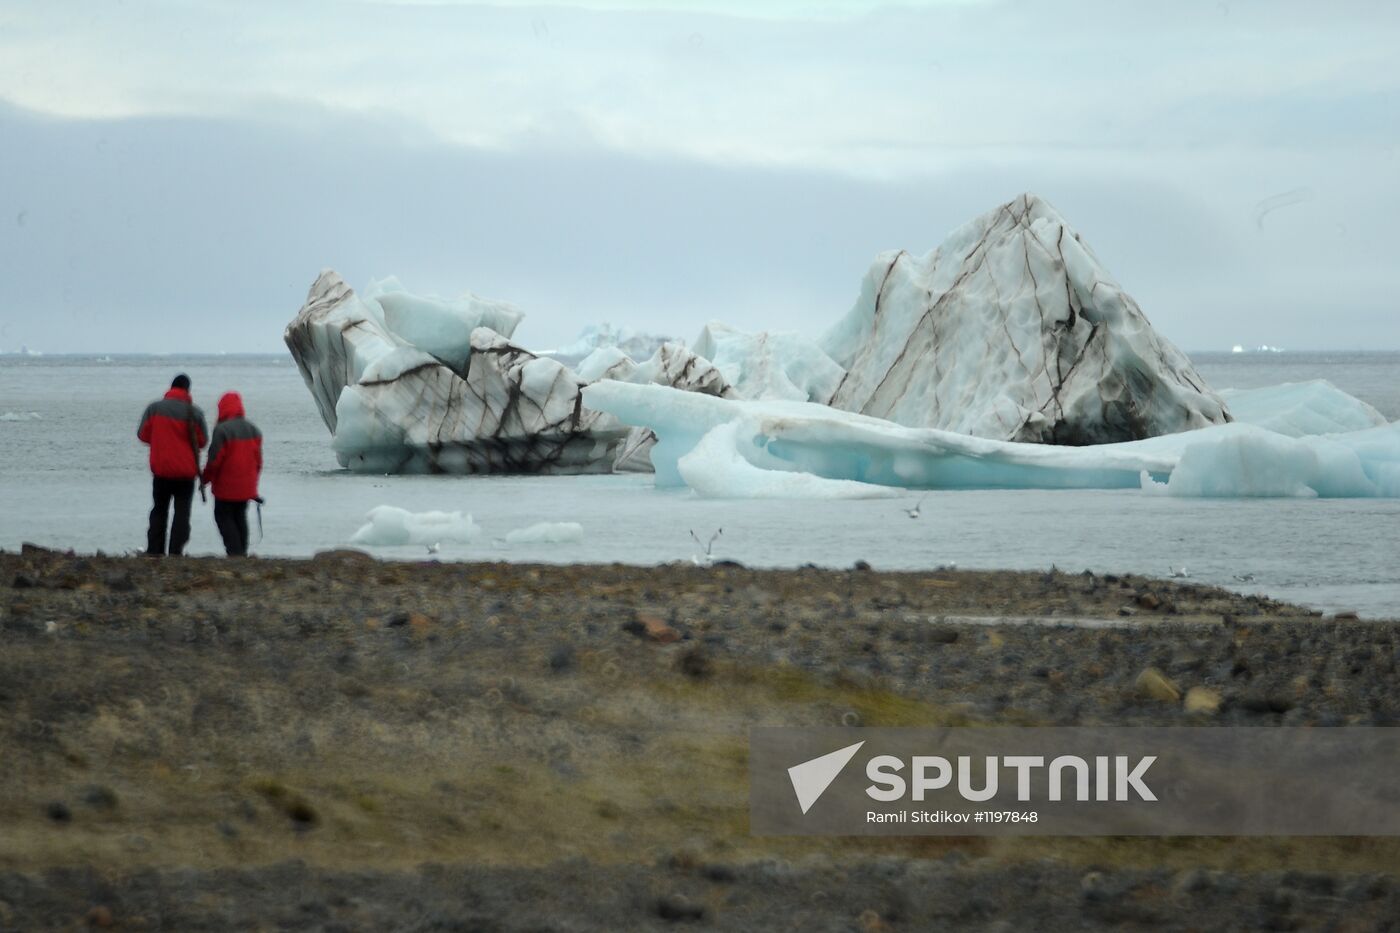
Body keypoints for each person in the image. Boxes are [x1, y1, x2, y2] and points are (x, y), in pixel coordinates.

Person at [137, 374, 208, 556]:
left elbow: (143, 435)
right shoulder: (195, 413)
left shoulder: (154, 409)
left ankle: (155, 551)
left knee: (159, 511)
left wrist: (161, 440)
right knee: (182, 514)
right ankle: (176, 552)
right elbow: (202, 441)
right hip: (186, 473)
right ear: (188, 390)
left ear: (171, 387)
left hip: (161, 471)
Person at [201, 391, 263, 557]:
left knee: (223, 517)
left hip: (225, 488)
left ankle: (235, 552)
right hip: (246, 488)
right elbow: (258, 463)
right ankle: (241, 552)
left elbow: (214, 460)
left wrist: (204, 479)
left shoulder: (222, 430)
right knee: (240, 517)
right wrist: (252, 485)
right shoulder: (254, 430)